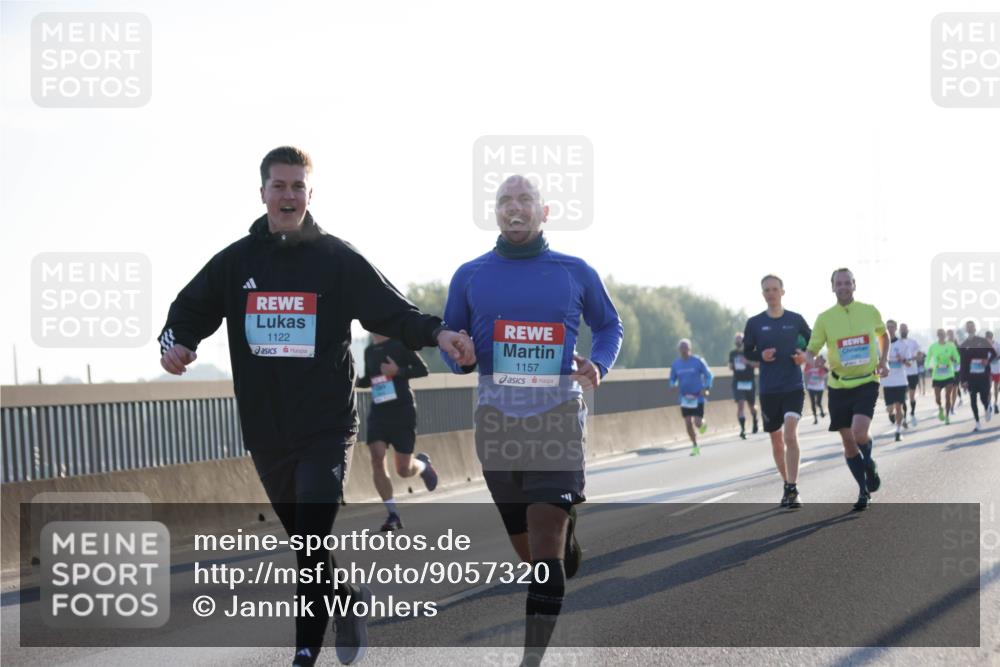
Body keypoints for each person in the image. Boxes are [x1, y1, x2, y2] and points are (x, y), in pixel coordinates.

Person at [158, 146, 475, 667]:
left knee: (309, 536)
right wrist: (175, 345)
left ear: (310, 193)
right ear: (261, 193)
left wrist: (439, 333)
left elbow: (394, 310)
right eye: (279, 186)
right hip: (265, 430)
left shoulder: (336, 260)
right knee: (308, 543)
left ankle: (304, 653)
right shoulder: (235, 263)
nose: (288, 196)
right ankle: (345, 599)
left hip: (327, 426)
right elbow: (186, 312)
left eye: (297, 187)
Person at [442, 174, 623, 667]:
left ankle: (530, 661)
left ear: (545, 212)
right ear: (495, 213)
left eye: (525, 199)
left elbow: (609, 325)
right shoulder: (470, 274)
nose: (514, 207)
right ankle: (566, 539)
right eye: (505, 201)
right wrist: (459, 355)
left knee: (544, 547)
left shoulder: (573, 270)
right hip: (496, 421)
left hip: (558, 416)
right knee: (532, 552)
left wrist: (598, 364)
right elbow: (452, 342)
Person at [804, 268, 889, 512]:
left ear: (854, 284)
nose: (843, 287)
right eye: (838, 283)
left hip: (866, 381)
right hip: (839, 385)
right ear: (832, 287)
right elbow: (811, 350)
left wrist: (883, 361)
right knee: (849, 443)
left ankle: (869, 463)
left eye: (847, 283)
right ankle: (863, 490)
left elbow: (884, 336)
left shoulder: (869, 310)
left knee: (859, 433)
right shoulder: (824, 318)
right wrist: (814, 361)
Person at [741, 274, 811, 508]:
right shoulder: (754, 323)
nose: (770, 293)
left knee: (790, 435)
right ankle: (786, 483)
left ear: (782, 291)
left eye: (774, 289)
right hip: (769, 389)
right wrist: (760, 356)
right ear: (763, 294)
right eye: (766, 290)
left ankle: (793, 488)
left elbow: (813, 344)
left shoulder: (796, 320)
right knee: (776, 440)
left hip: (792, 386)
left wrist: (803, 357)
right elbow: (747, 353)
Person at [356, 333, 436, 531]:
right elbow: (370, 379)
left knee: (404, 470)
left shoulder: (400, 343)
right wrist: (351, 379)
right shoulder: (369, 351)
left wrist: (397, 370)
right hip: (379, 412)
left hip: (402, 412)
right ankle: (392, 514)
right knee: (377, 457)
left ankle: (423, 465)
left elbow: (422, 370)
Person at [670, 338, 714, 456]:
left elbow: (709, 376)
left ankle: (703, 424)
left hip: (698, 397)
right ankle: (695, 445)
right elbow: (672, 379)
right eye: (682, 348)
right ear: (679, 350)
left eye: (686, 348)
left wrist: (706, 388)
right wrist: (673, 385)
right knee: (688, 422)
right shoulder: (676, 364)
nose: (684, 351)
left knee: (697, 423)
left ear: (690, 349)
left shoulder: (698, 361)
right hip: (685, 398)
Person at [958, 321, 998, 432]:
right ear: (966, 329)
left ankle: (987, 406)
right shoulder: (964, 345)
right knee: (973, 400)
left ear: (975, 328)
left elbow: (994, 353)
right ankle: (977, 423)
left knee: (983, 398)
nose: (970, 328)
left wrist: (987, 360)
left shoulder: (983, 341)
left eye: (972, 326)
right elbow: (963, 364)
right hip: (971, 378)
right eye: (968, 326)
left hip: (984, 376)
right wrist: (963, 380)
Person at [728, 333, 759, 439]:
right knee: (740, 405)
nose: (738, 342)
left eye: (740, 340)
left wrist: (747, 362)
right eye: (736, 340)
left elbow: (758, 364)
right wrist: (732, 366)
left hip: (749, 381)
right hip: (738, 381)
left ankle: (755, 418)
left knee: (751, 406)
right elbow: (730, 366)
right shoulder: (732, 353)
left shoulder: (750, 352)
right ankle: (743, 429)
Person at [882, 320, 909, 442]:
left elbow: (909, 363)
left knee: (899, 407)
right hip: (887, 382)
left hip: (900, 381)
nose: (890, 329)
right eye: (888, 327)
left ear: (896, 328)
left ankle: (898, 431)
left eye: (892, 327)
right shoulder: (881, 344)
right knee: (889, 408)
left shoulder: (902, 344)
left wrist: (901, 359)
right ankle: (891, 415)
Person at [927, 329, 960, 425]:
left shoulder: (951, 346)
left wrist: (954, 359)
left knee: (947, 396)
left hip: (949, 374)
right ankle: (940, 408)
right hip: (937, 375)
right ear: (937, 335)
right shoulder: (933, 347)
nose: (941, 336)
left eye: (943, 334)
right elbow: (928, 359)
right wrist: (928, 367)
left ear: (945, 335)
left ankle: (947, 416)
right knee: (937, 398)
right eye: (939, 334)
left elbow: (958, 358)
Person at [897, 322, 922, 425]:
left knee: (911, 396)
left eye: (905, 329)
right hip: (901, 374)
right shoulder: (897, 343)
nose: (903, 331)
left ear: (908, 330)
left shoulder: (913, 342)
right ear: (899, 331)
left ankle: (912, 413)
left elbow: (920, 356)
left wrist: (913, 358)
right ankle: (905, 417)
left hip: (913, 373)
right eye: (902, 329)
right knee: (903, 398)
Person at [804, 355, 828, 424]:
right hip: (811, 387)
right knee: (813, 403)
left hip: (820, 388)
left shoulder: (822, 368)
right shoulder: (809, 366)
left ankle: (822, 411)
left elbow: (826, 371)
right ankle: (815, 418)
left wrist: (821, 365)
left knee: (818, 402)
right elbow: (805, 373)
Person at [947, 329, 964, 410]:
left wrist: (953, 359)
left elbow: (960, 360)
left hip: (956, 370)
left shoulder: (958, 347)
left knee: (955, 389)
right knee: (949, 389)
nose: (950, 336)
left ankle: (952, 406)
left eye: (951, 335)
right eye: (949, 335)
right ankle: (950, 404)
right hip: (948, 371)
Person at [988, 330, 1000, 415]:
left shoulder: (997, 345)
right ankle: (989, 405)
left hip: (996, 368)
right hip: (988, 370)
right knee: (988, 387)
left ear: (991, 337)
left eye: (989, 337)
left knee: (996, 387)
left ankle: (995, 403)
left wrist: (994, 358)